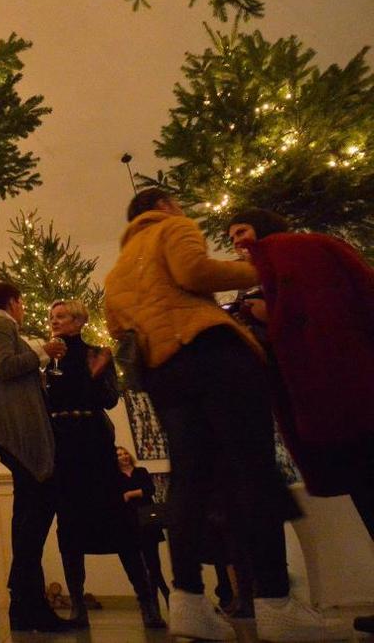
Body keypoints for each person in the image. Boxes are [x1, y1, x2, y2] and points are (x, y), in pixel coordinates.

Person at [104, 188, 346, 641]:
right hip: (214, 355)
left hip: (164, 372)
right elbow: (193, 270)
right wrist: (259, 269)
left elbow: (118, 326)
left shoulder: (117, 271)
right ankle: (276, 603)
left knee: (188, 480)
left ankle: (188, 602)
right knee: (251, 471)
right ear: (164, 207)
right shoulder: (172, 228)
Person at [228, 208, 374, 637]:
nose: (238, 241)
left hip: (345, 395)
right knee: (367, 493)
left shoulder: (291, 254)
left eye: (242, 231)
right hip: (345, 397)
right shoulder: (305, 253)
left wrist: (266, 316)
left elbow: (315, 322)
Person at [43, 300, 164, 629]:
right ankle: (78, 606)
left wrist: (90, 375)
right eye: (52, 317)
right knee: (69, 526)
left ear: (78, 321)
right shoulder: (45, 361)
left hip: (94, 446)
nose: (55, 321)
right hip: (63, 449)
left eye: (62, 316)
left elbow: (110, 398)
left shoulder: (98, 354)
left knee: (120, 523)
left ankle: (147, 603)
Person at [0, 281, 76, 633]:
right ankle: (27, 600)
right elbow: (5, 366)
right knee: (36, 513)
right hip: (15, 433)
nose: (24, 308)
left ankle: (24, 604)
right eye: (22, 302)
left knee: (27, 514)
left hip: (10, 433)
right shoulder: (2, 326)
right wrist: (43, 351)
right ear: (14, 302)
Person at [115, 446, 170, 610]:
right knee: (141, 564)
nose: (124, 456)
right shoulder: (115, 477)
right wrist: (136, 493)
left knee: (153, 563)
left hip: (147, 522)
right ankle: (156, 599)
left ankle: (162, 594)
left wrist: (130, 494)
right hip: (129, 523)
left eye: (125, 453)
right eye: (119, 455)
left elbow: (150, 490)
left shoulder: (141, 471)